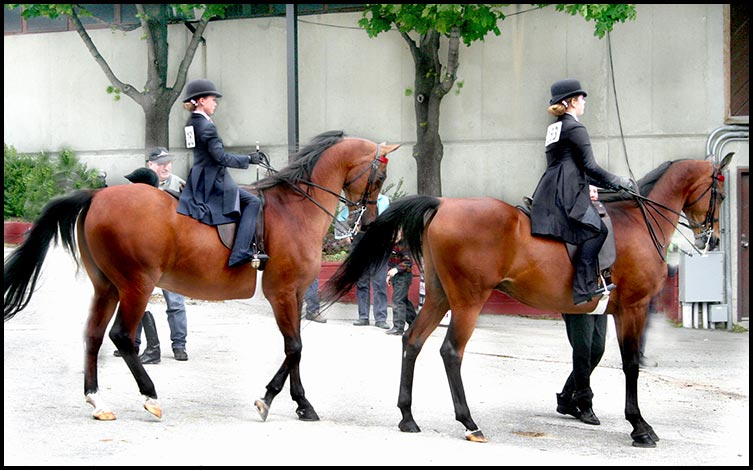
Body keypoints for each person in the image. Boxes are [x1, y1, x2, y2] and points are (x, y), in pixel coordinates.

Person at [530, 78, 634, 306]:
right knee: (596, 230)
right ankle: (583, 287)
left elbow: (567, 164)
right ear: (571, 102)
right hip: (568, 191)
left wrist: (597, 184)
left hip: (550, 187)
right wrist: (619, 182)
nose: (584, 102)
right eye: (581, 98)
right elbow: (590, 166)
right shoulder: (575, 127)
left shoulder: (554, 127)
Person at [176, 78, 269, 268]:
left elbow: (196, 149)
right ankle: (241, 251)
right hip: (213, 180)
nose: (215, 103)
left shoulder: (191, 123)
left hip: (198, 177)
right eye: (213, 99)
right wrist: (248, 159)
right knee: (253, 201)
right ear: (201, 101)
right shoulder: (206, 126)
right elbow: (220, 158)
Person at [114, 148, 190, 363]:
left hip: (172, 255)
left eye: (168, 162)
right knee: (137, 300)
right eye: (160, 163)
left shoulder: (179, 185)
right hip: (145, 254)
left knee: (175, 302)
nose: (166, 167)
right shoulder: (136, 187)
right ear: (150, 165)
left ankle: (179, 346)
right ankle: (133, 343)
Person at [556, 185, 608, 425]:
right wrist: (580, 192)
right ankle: (583, 402)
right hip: (578, 290)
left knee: (597, 349)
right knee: (583, 350)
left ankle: (567, 396)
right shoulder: (574, 218)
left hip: (602, 289)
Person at [339, 193, 390, 329]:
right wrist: (347, 235)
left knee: (379, 283)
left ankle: (380, 318)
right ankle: (363, 317)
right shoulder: (357, 202)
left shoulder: (384, 200)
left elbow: (390, 221)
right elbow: (340, 218)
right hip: (360, 243)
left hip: (379, 244)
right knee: (362, 282)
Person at [385, 231, 417, 335]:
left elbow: (408, 262)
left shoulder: (404, 245)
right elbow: (391, 262)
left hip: (404, 276)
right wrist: (389, 275)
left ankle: (398, 328)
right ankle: (415, 324)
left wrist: (396, 270)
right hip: (396, 276)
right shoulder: (392, 245)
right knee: (403, 301)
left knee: (397, 300)